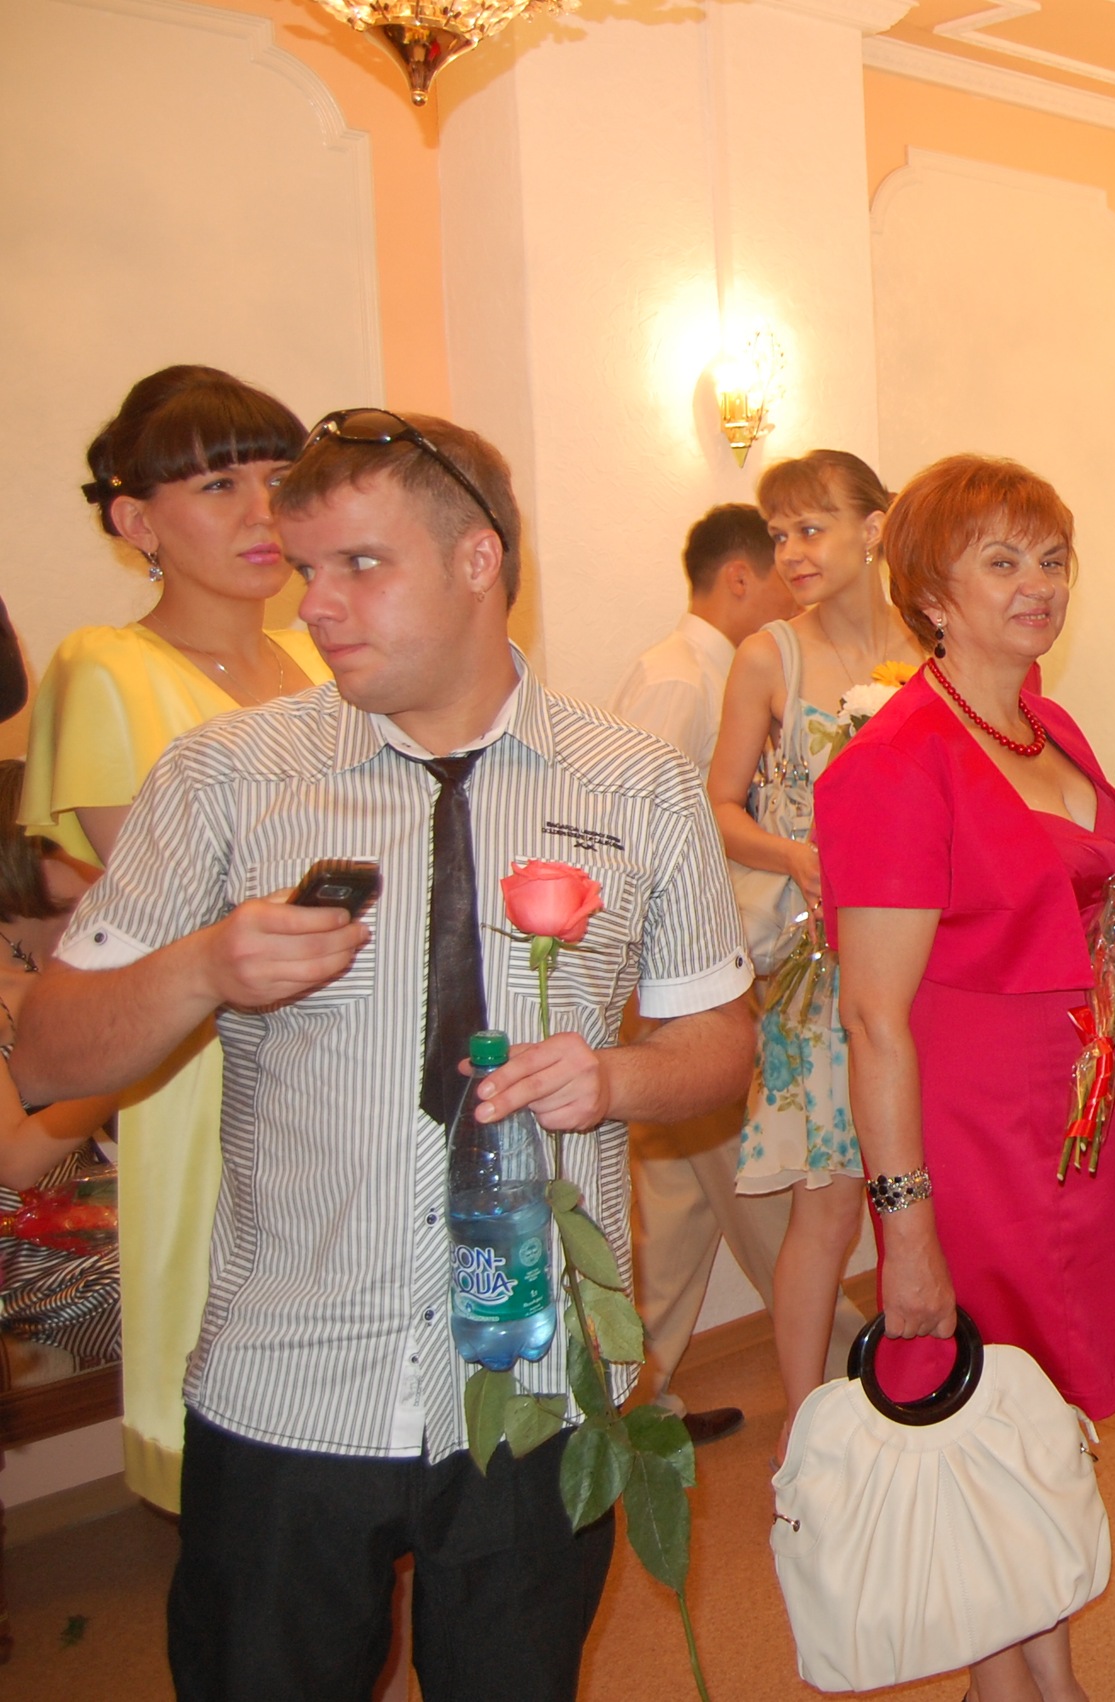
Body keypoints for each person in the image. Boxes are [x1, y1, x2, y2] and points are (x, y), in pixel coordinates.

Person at [10, 407, 757, 1699]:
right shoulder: (227, 777)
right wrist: (202, 968)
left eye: (361, 564)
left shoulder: (636, 787)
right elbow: (44, 1052)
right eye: (308, 569)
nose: (317, 605)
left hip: (534, 1378)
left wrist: (614, 1078)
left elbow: (719, 1046)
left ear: (478, 559)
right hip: (289, 1382)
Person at [813, 453, 1115, 1702]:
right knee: (981, 1402)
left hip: (1067, 1116)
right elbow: (873, 1018)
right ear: (930, 592)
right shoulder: (896, 759)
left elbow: (1078, 906)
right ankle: (1010, 1686)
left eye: (1050, 558)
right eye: (1000, 561)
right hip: (969, 1127)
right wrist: (904, 1226)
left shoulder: (1053, 726)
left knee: (1039, 1410)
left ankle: (1044, 1678)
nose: (1037, 584)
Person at [18, 365, 324, 1510]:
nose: (262, 510)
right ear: (136, 521)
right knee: (257, 1421)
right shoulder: (106, 667)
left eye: (279, 477)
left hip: (350, 1031)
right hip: (211, 1055)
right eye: (218, 485)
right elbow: (168, 902)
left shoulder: (316, 658)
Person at [710, 450, 920, 1439]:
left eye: (811, 527)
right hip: (823, 967)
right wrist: (792, 852)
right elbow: (718, 805)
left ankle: (934, 1399)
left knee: (935, 1188)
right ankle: (804, 1433)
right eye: (778, 533)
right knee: (828, 1207)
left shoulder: (930, 643)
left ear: (873, 528)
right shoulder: (769, 656)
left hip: (926, 955)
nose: (791, 551)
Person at [608, 502, 810, 1445]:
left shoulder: (714, 673)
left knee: (683, 1201)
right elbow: (626, 833)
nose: (796, 589)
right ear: (739, 577)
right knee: (747, 1180)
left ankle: (632, 1394)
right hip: (677, 983)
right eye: (783, 567)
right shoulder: (679, 681)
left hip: (705, 970)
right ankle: (843, 1354)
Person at [0, 760, 120, 1380]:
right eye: (71, 837)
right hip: (29, 1261)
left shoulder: (48, 974)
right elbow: (17, 1161)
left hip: (83, 1228)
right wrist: (134, 1059)